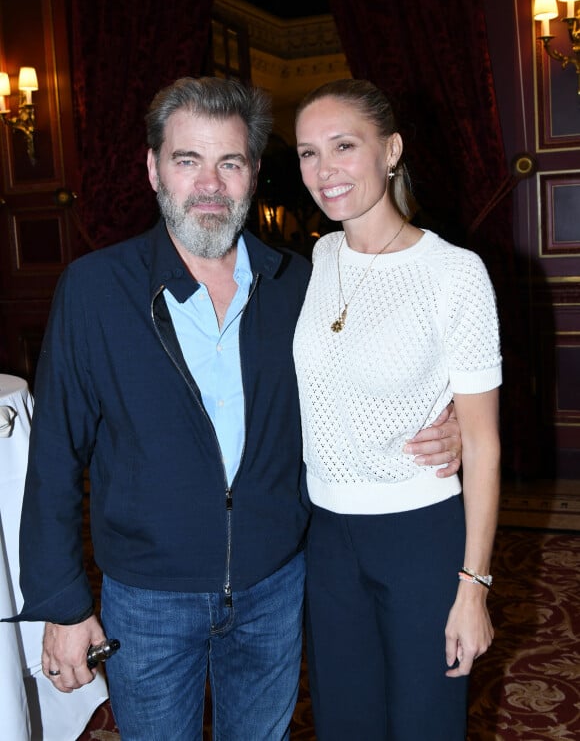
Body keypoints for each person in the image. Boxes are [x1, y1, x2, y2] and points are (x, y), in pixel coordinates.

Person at [15, 77, 462, 741]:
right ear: (153, 168)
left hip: (274, 587)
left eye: (229, 162)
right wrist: (62, 606)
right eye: (186, 160)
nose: (209, 183)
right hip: (148, 600)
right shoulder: (96, 289)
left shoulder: (302, 285)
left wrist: (449, 424)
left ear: (253, 173)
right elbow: (53, 455)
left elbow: (377, 383)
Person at [293, 79, 502, 741]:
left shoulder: (454, 273)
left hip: (419, 537)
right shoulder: (317, 259)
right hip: (325, 540)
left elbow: (483, 443)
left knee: (424, 727)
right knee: (344, 725)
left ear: (391, 151)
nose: (325, 172)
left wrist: (473, 589)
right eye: (306, 153)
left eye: (344, 146)